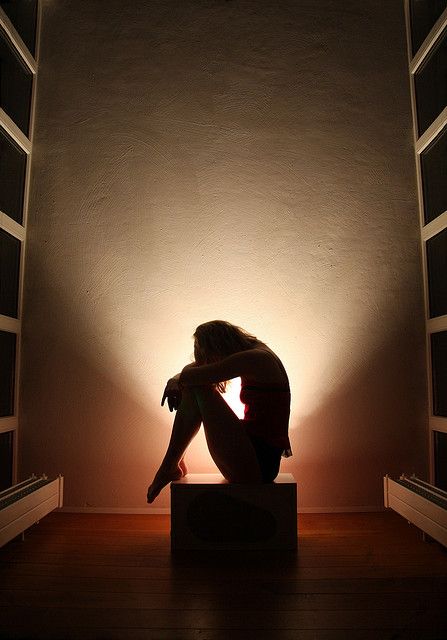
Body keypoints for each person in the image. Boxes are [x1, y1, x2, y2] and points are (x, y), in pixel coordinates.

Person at [147, 320, 292, 503]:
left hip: (257, 465)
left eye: (209, 356)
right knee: (195, 387)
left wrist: (174, 381)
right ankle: (171, 464)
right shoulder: (257, 352)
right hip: (254, 457)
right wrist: (176, 379)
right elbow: (194, 372)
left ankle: (170, 464)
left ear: (217, 347)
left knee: (197, 388)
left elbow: (192, 375)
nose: (208, 362)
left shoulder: (255, 358)